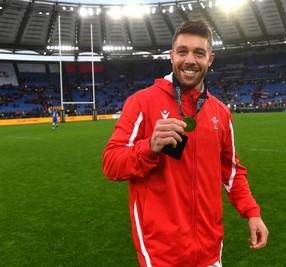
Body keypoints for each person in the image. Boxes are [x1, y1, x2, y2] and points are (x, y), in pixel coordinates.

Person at [102, 19, 268, 267]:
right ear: (171, 56)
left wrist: (252, 212)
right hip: (160, 253)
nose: (190, 60)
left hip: (210, 250)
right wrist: (149, 147)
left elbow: (231, 171)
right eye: (182, 52)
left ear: (210, 59)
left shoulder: (221, 112)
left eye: (199, 53)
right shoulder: (141, 103)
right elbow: (111, 163)